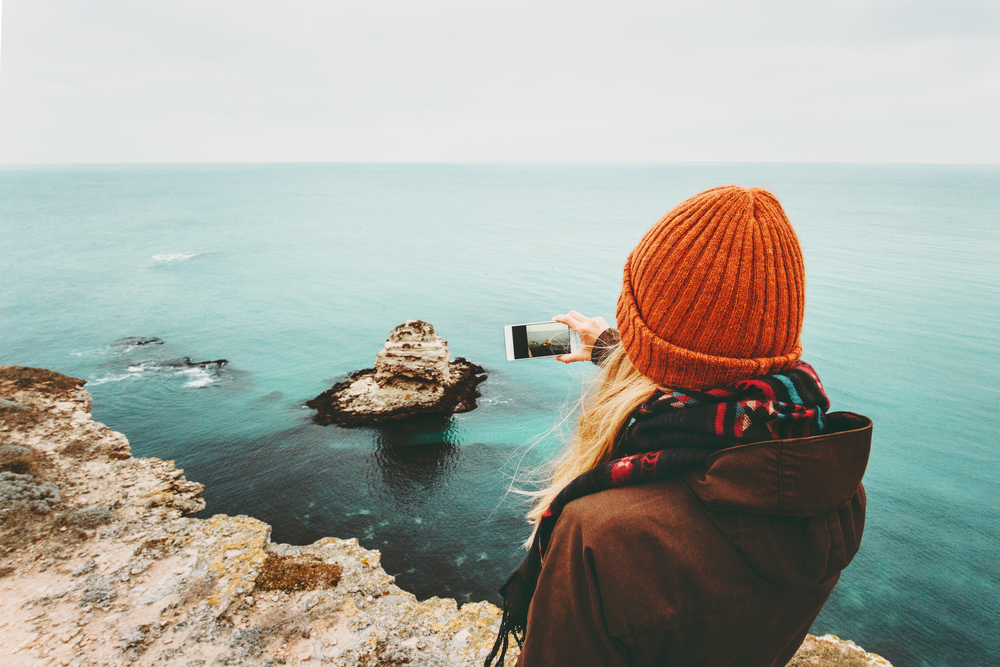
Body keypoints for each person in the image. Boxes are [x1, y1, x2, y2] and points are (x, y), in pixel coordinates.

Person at [485, 185, 872, 667]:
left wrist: (627, 354)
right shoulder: (831, 485)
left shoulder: (600, 536)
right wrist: (614, 349)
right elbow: (714, 391)